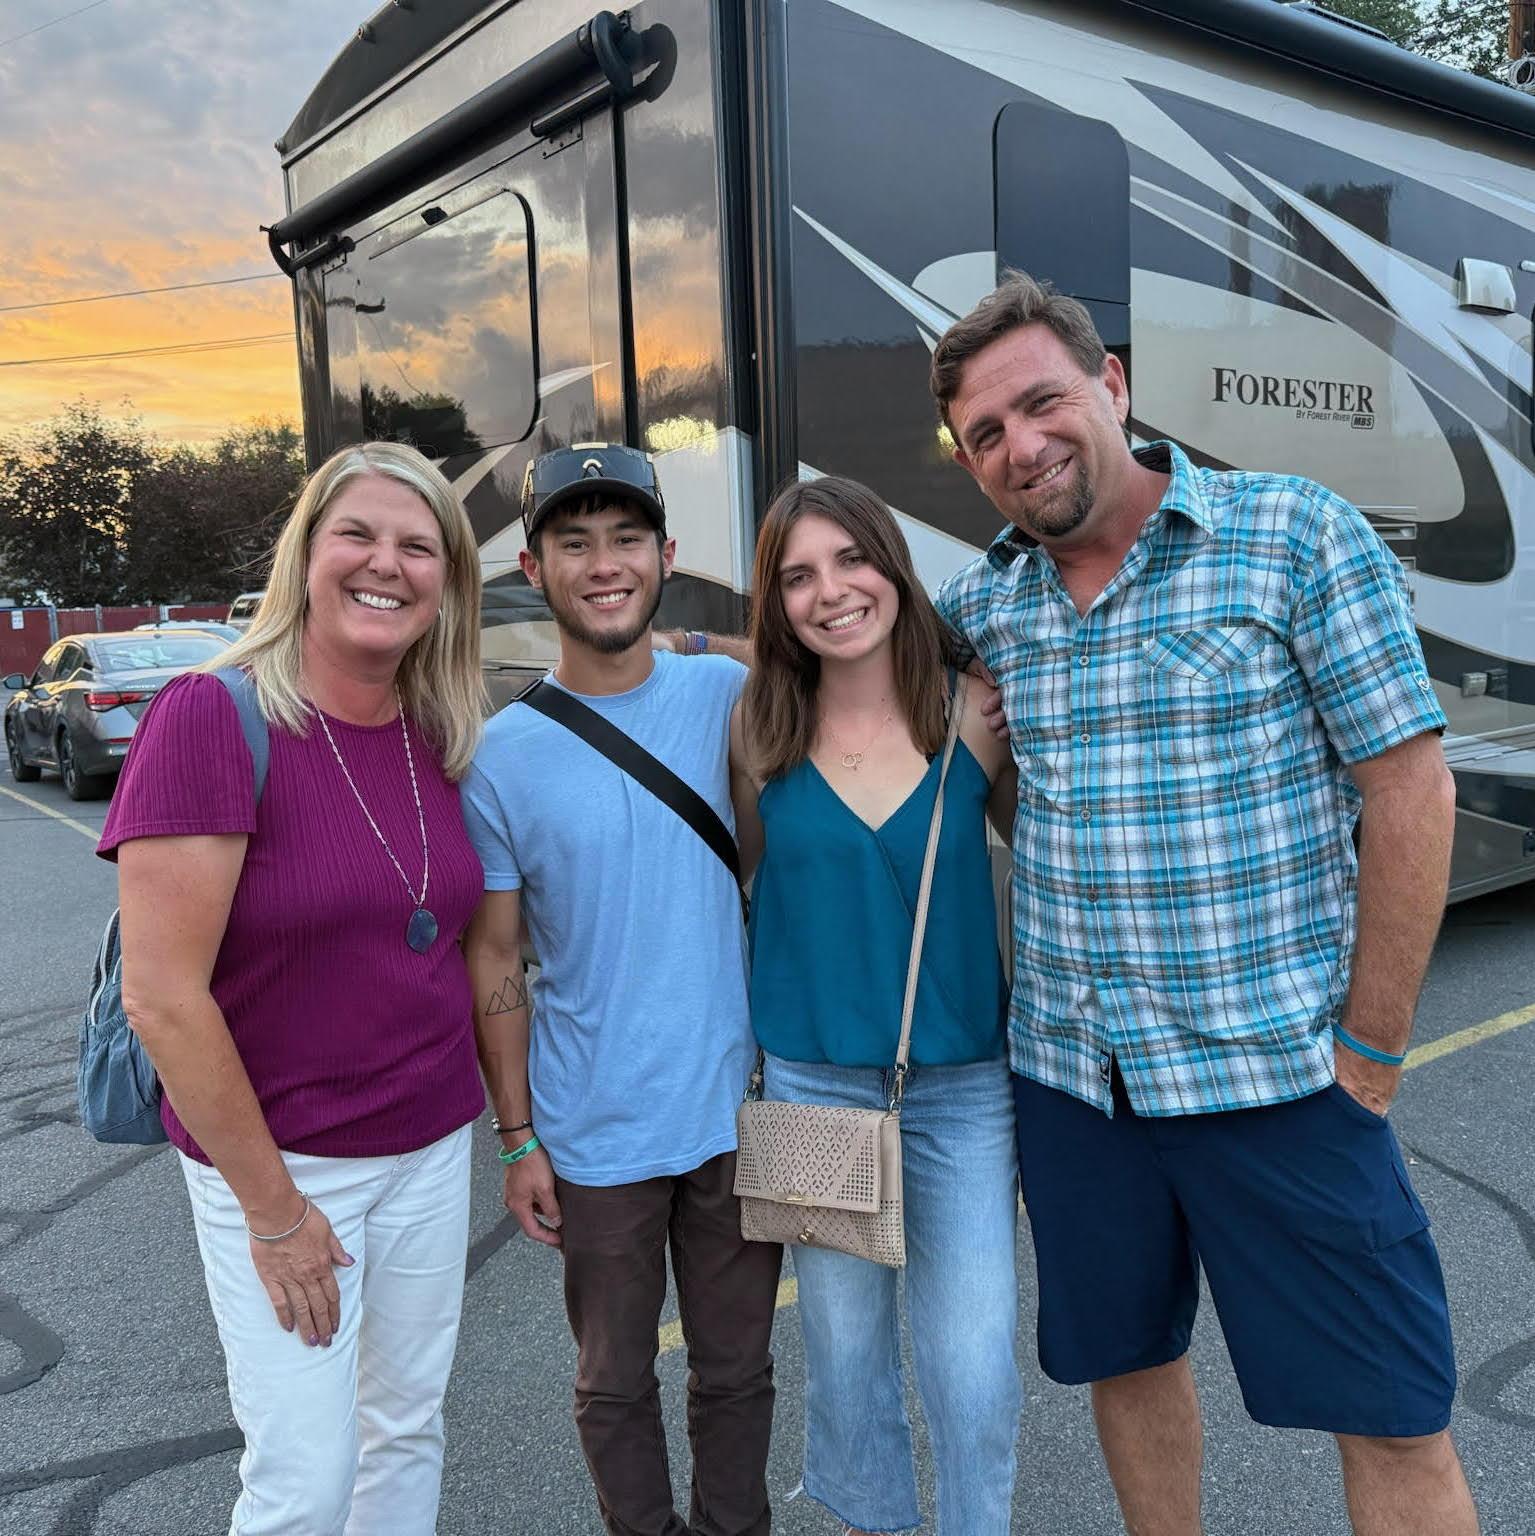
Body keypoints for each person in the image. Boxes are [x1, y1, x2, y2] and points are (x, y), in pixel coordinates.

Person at [927, 271, 1476, 1536]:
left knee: (1388, 1408)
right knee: (1124, 1365)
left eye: (1040, 404)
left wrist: (1370, 1052)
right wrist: (680, 651)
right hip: (1078, 1086)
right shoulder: (989, 603)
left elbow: (1407, 790)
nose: (1020, 447)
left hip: (1279, 1081)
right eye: (985, 437)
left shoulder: (1290, 534)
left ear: (1111, 387)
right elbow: (839, 655)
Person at [99, 441, 489, 1535]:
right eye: (357, 534)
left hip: (425, 1148)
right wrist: (275, 1217)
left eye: (419, 547)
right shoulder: (210, 719)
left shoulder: (435, 730)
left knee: (405, 1431)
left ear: (446, 582)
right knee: (304, 1481)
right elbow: (163, 999)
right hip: (282, 1165)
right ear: (305, 555)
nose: (386, 564)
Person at [460, 444, 782, 1536]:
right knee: (611, 1383)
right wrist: (515, 1140)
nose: (604, 565)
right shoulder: (499, 759)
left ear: (665, 556)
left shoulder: (722, 692)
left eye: (627, 538)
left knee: (738, 1376)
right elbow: (495, 957)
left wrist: (702, 639)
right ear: (532, 566)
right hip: (590, 1127)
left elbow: (823, 663)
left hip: (733, 1113)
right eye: (575, 542)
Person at [732, 475, 1022, 1536]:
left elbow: (1050, 864)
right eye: (797, 575)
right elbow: (754, 892)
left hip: (958, 1090)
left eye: (850, 560)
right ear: (774, 602)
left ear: (890, 566)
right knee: (847, 1373)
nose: (831, 591)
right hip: (810, 1083)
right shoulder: (757, 732)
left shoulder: (973, 714)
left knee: (972, 1367)